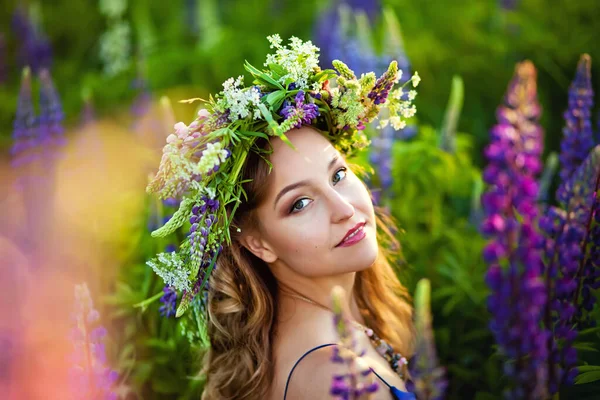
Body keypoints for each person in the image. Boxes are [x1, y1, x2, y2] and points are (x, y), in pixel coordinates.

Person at [146, 34, 421, 400]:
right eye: (300, 204)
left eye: (337, 175)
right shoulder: (332, 376)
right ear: (259, 243)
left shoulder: (325, 340)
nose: (343, 208)